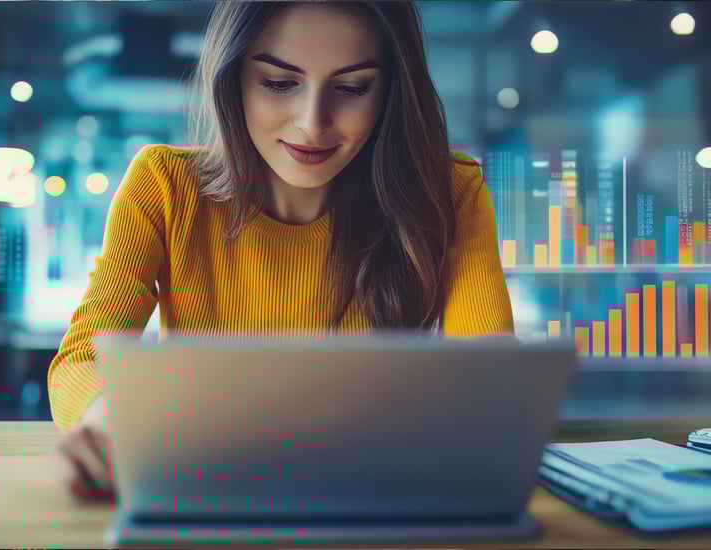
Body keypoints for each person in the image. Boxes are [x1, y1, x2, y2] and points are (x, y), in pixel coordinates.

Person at [52, 0, 514, 501]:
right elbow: (81, 358)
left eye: (352, 88)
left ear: (391, 92)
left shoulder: (447, 190)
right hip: (209, 492)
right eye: (278, 82)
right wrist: (108, 413)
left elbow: (489, 374)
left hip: (372, 496)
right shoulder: (164, 185)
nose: (312, 123)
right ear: (233, 78)